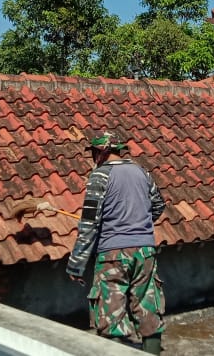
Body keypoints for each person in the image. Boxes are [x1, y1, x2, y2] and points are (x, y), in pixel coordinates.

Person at [66, 131, 167, 354]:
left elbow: (89, 224)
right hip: (145, 252)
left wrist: (76, 265)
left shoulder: (99, 176)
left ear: (102, 152)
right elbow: (159, 206)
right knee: (148, 307)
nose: (92, 157)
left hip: (112, 255)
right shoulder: (142, 173)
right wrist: (137, 223)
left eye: (93, 152)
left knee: (111, 314)